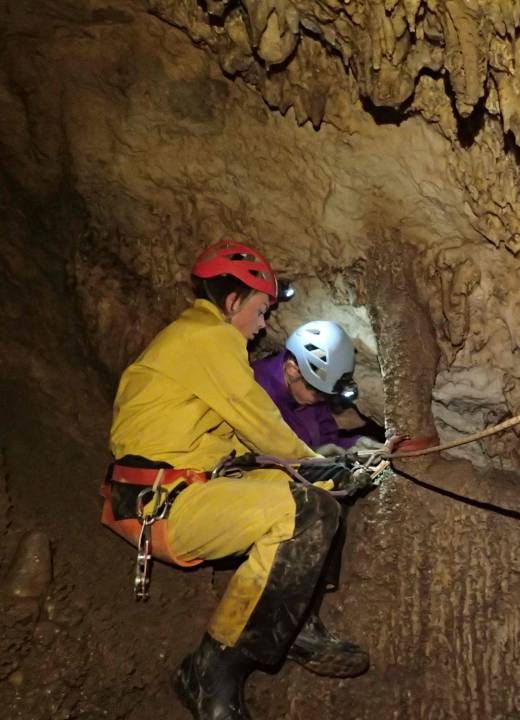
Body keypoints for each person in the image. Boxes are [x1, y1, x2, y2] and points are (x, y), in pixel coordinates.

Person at [100, 239, 370, 720]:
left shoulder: (196, 346)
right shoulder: (208, 339)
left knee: (312, 497)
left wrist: (320, 471)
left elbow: (237, 445)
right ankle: (210, 671)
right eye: (261, 310)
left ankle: (297, 624)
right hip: (160, 501)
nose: (264, 324)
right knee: (304, 509)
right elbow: (258, 419)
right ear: (232, 302)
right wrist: (313, 463)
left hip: (181, 488)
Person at [251, 320, 383, 453]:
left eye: (327, 394)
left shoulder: (314, 389)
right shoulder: (254, 388)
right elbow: (263, 454)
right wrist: (312, 456)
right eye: (318, 392)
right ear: (292, 370)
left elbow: (329, 443)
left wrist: (355, 444)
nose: (321, 399)